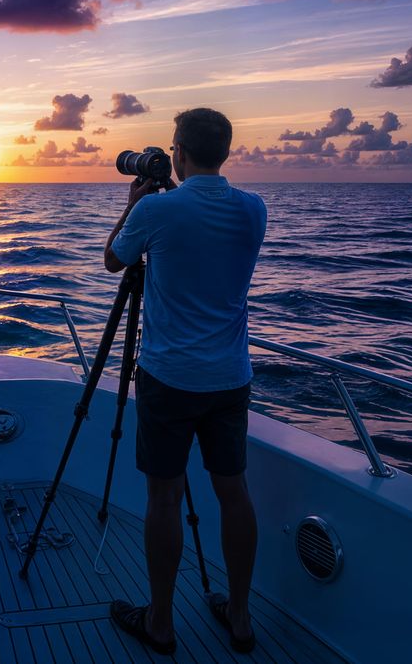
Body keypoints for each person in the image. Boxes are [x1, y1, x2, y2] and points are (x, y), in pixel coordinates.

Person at [103, 107, 266, 656]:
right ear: (225, 151)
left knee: (165, 498)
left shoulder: (156, 210)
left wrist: (132, 206)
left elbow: (113, 260)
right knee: (233, 492)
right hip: (230, 377)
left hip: (169, 377)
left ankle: (160, 622)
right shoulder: (254, 209)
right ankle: (239, 616)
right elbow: (203, 221)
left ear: (178, 150)